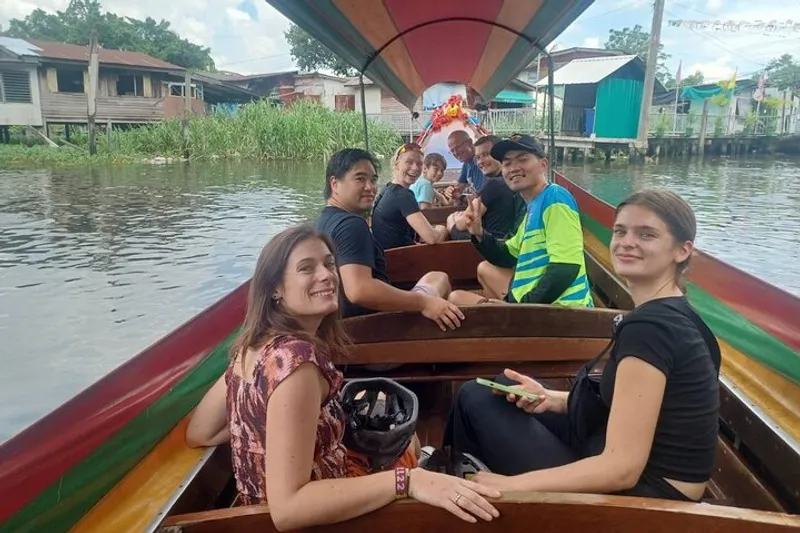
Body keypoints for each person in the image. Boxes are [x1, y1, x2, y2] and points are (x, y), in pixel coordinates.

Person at [185, 225, 500, 530]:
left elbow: (200, 432)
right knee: (419, 464)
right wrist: (408, 482)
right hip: (315, 522)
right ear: (275, 289)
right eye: (306, 268)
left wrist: (266, 426)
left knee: (410, 443)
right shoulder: (296, 365)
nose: (326, 275)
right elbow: (288, 509)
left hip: (256, 515)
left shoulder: (251, 349)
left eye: (329, 264)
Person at [442, 188, 721, 503]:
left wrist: (510, 484)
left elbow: (621, 470)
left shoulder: (651, 330)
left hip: (645, 502)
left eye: (646, 234)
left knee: (472, 398)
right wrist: (553, 399)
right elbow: (643, 408)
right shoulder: (680, 314)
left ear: (682, 251)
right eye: (620, 231)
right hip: (627, 460)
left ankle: (464, 494)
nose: (627, 242)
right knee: (495, 388)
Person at [314, 148, 464, 331]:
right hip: (374, 327)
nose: (370, 187)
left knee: (435, 278)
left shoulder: (324, 220)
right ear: (335, 183)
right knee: (440, 278)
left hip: (346, 323)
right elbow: (359, 290)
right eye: (360, 179)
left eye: (373, 180)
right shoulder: (351, 225)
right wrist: (424, 303)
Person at [447, 134, 592, 308]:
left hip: (560, 313)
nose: (514, 168)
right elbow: (508, 255)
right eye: (507, 163)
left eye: (523, 159)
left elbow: (565, 267)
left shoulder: (555, 198)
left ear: (543, 165)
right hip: (534, 305)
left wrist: (519, 308)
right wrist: (478, 233)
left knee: (456, 299)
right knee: (464, 292)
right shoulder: (534, 206)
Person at [446, 135, 526, 241]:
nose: (480, 162)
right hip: (505, 239)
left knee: (450, 222)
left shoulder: (494, 184)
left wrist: (453, 218)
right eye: (478, 158)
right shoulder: (512, 182)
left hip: (490, 242)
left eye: (486, 154)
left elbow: (462, 224)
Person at [371, 143, 449, 250]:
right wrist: (442, 229)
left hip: (386, 254)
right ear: (397, 165)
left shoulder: (387, 188)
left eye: (419, 164)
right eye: (409, 162)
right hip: (400, 256)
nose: (415, 168)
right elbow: (432, 238)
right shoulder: (403, 195)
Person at [443, 130, 486, 202]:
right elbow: (459, 188)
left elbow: (482, 198)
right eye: (452, 151)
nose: (456, 153)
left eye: (457, 147)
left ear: (470, 142)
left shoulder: (483, 163)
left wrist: (461, 197)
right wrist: (451, 191)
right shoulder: (466, 164)